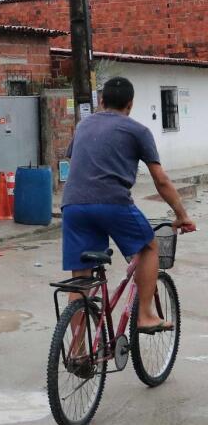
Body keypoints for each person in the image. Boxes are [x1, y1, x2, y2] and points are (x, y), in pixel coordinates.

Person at [62, 76, 196, 332]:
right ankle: (144, 315)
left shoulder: (83, 126)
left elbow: (77, 159)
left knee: (81, 281)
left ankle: (77, 352)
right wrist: (182, 215)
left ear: (101, 101)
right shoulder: (138, 130)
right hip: (112, 202)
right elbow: (161, 180)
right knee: (148, 247)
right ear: (130, 104)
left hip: (72, 205)